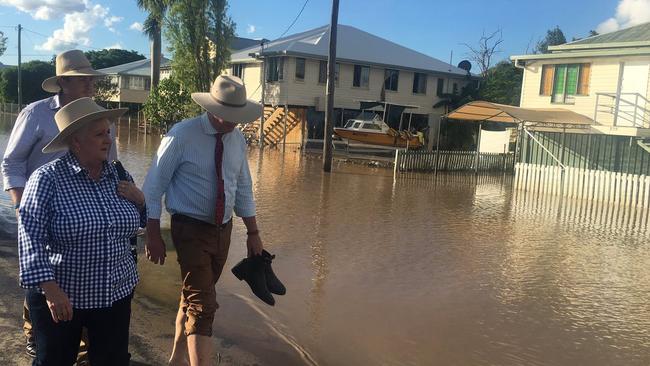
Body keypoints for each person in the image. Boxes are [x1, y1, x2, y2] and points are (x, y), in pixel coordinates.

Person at [142, 75, 264, 366]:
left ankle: (176, 359)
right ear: (211, 109)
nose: (233, 122)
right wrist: (153, 233)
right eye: (227, 116)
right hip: (190, 229)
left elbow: (243, 187)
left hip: (223, 230)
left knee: (193, 298)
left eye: (237, 116)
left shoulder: (237, 139)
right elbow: (153, 186)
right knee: (204, 305)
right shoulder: (181, 135)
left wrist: (253, 232)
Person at [1, 49, 113, 361]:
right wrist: (22, 206)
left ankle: (82, 339)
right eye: (81, 78)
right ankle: (36, 335)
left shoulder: (99, 117)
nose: (90, 82)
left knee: (81, 276)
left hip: (84, 214)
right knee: (41, 278)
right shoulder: (36, 114)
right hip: (40, 207)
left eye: (91, 77)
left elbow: (110, 164)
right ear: (62, 81)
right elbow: (11, 163)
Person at [18, 97, 145, 365]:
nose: (108, 140)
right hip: (64, 299)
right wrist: (51, 290)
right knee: (54, 361)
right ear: (76, 141)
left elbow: (138, 225)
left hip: (115, 294)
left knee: (112, 361)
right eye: (99, 134)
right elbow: (30, 239)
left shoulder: (120, 176)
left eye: (108, 133)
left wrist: (142, 201)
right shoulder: (46, 179)